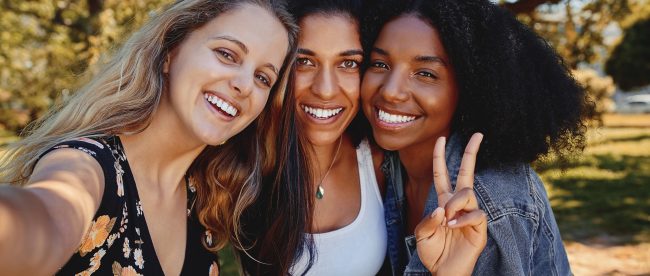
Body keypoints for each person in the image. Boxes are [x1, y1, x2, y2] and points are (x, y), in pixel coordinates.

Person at [0, 0, 309, 275]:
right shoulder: (87, 165)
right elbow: (43, 219)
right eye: (227, 54)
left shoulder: (202, 206)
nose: (244, 84)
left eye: (263, 78)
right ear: (170, 53)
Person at [360, 0, 590, 275]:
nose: (390, 91)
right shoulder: (383, 163)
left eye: (425, 73)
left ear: (470, 87)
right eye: (380, 64)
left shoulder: (492, 201)